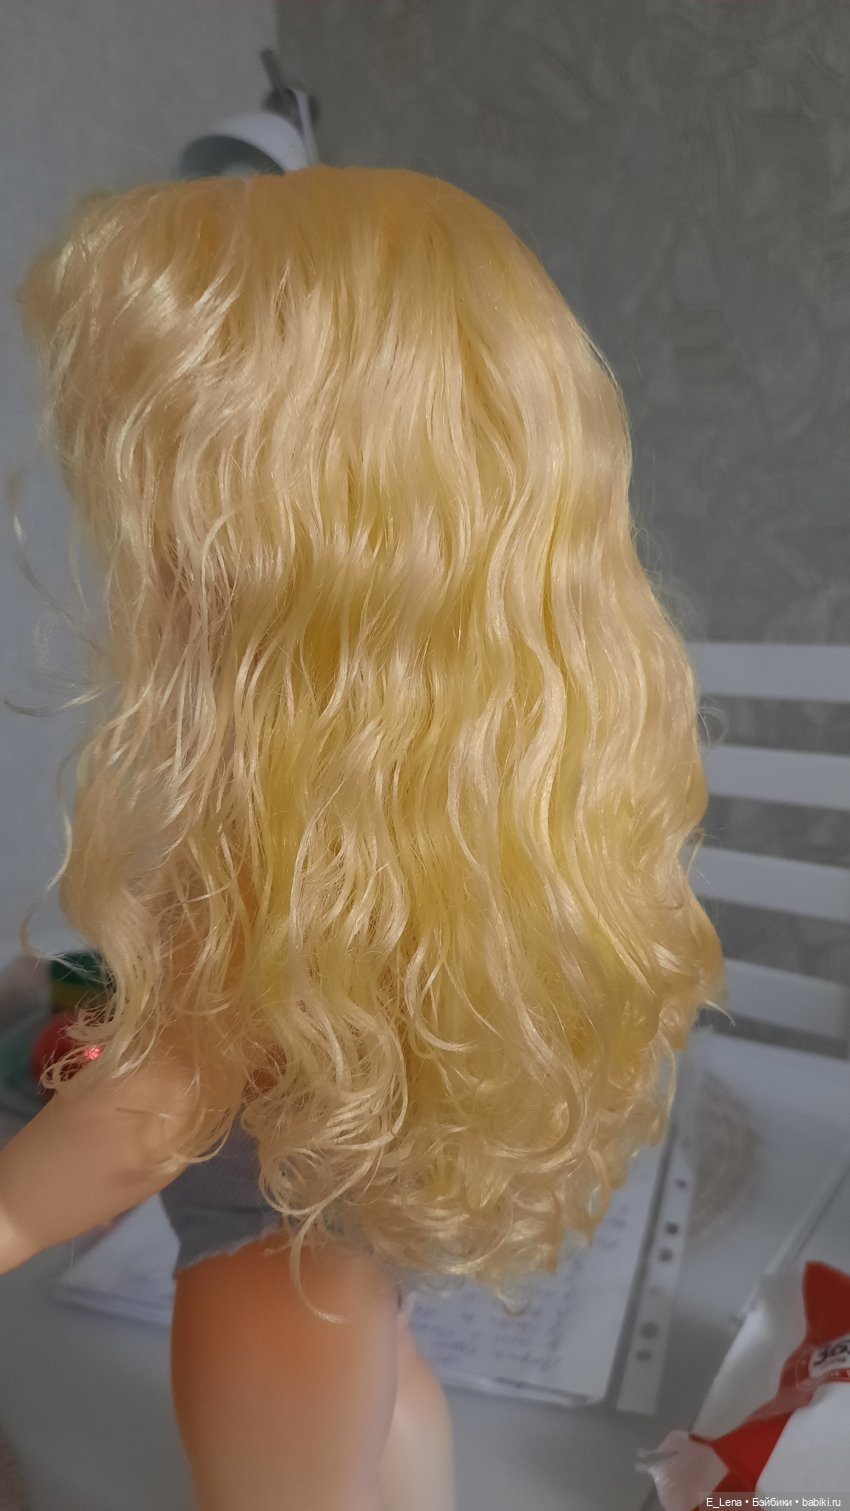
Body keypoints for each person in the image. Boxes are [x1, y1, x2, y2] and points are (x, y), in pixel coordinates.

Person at [0, 166, 726, 1511]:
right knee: (382, 1407)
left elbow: (139, 1126)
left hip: (264, 1275)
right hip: (341, 1250)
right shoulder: (462, 777)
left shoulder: (269, 830)